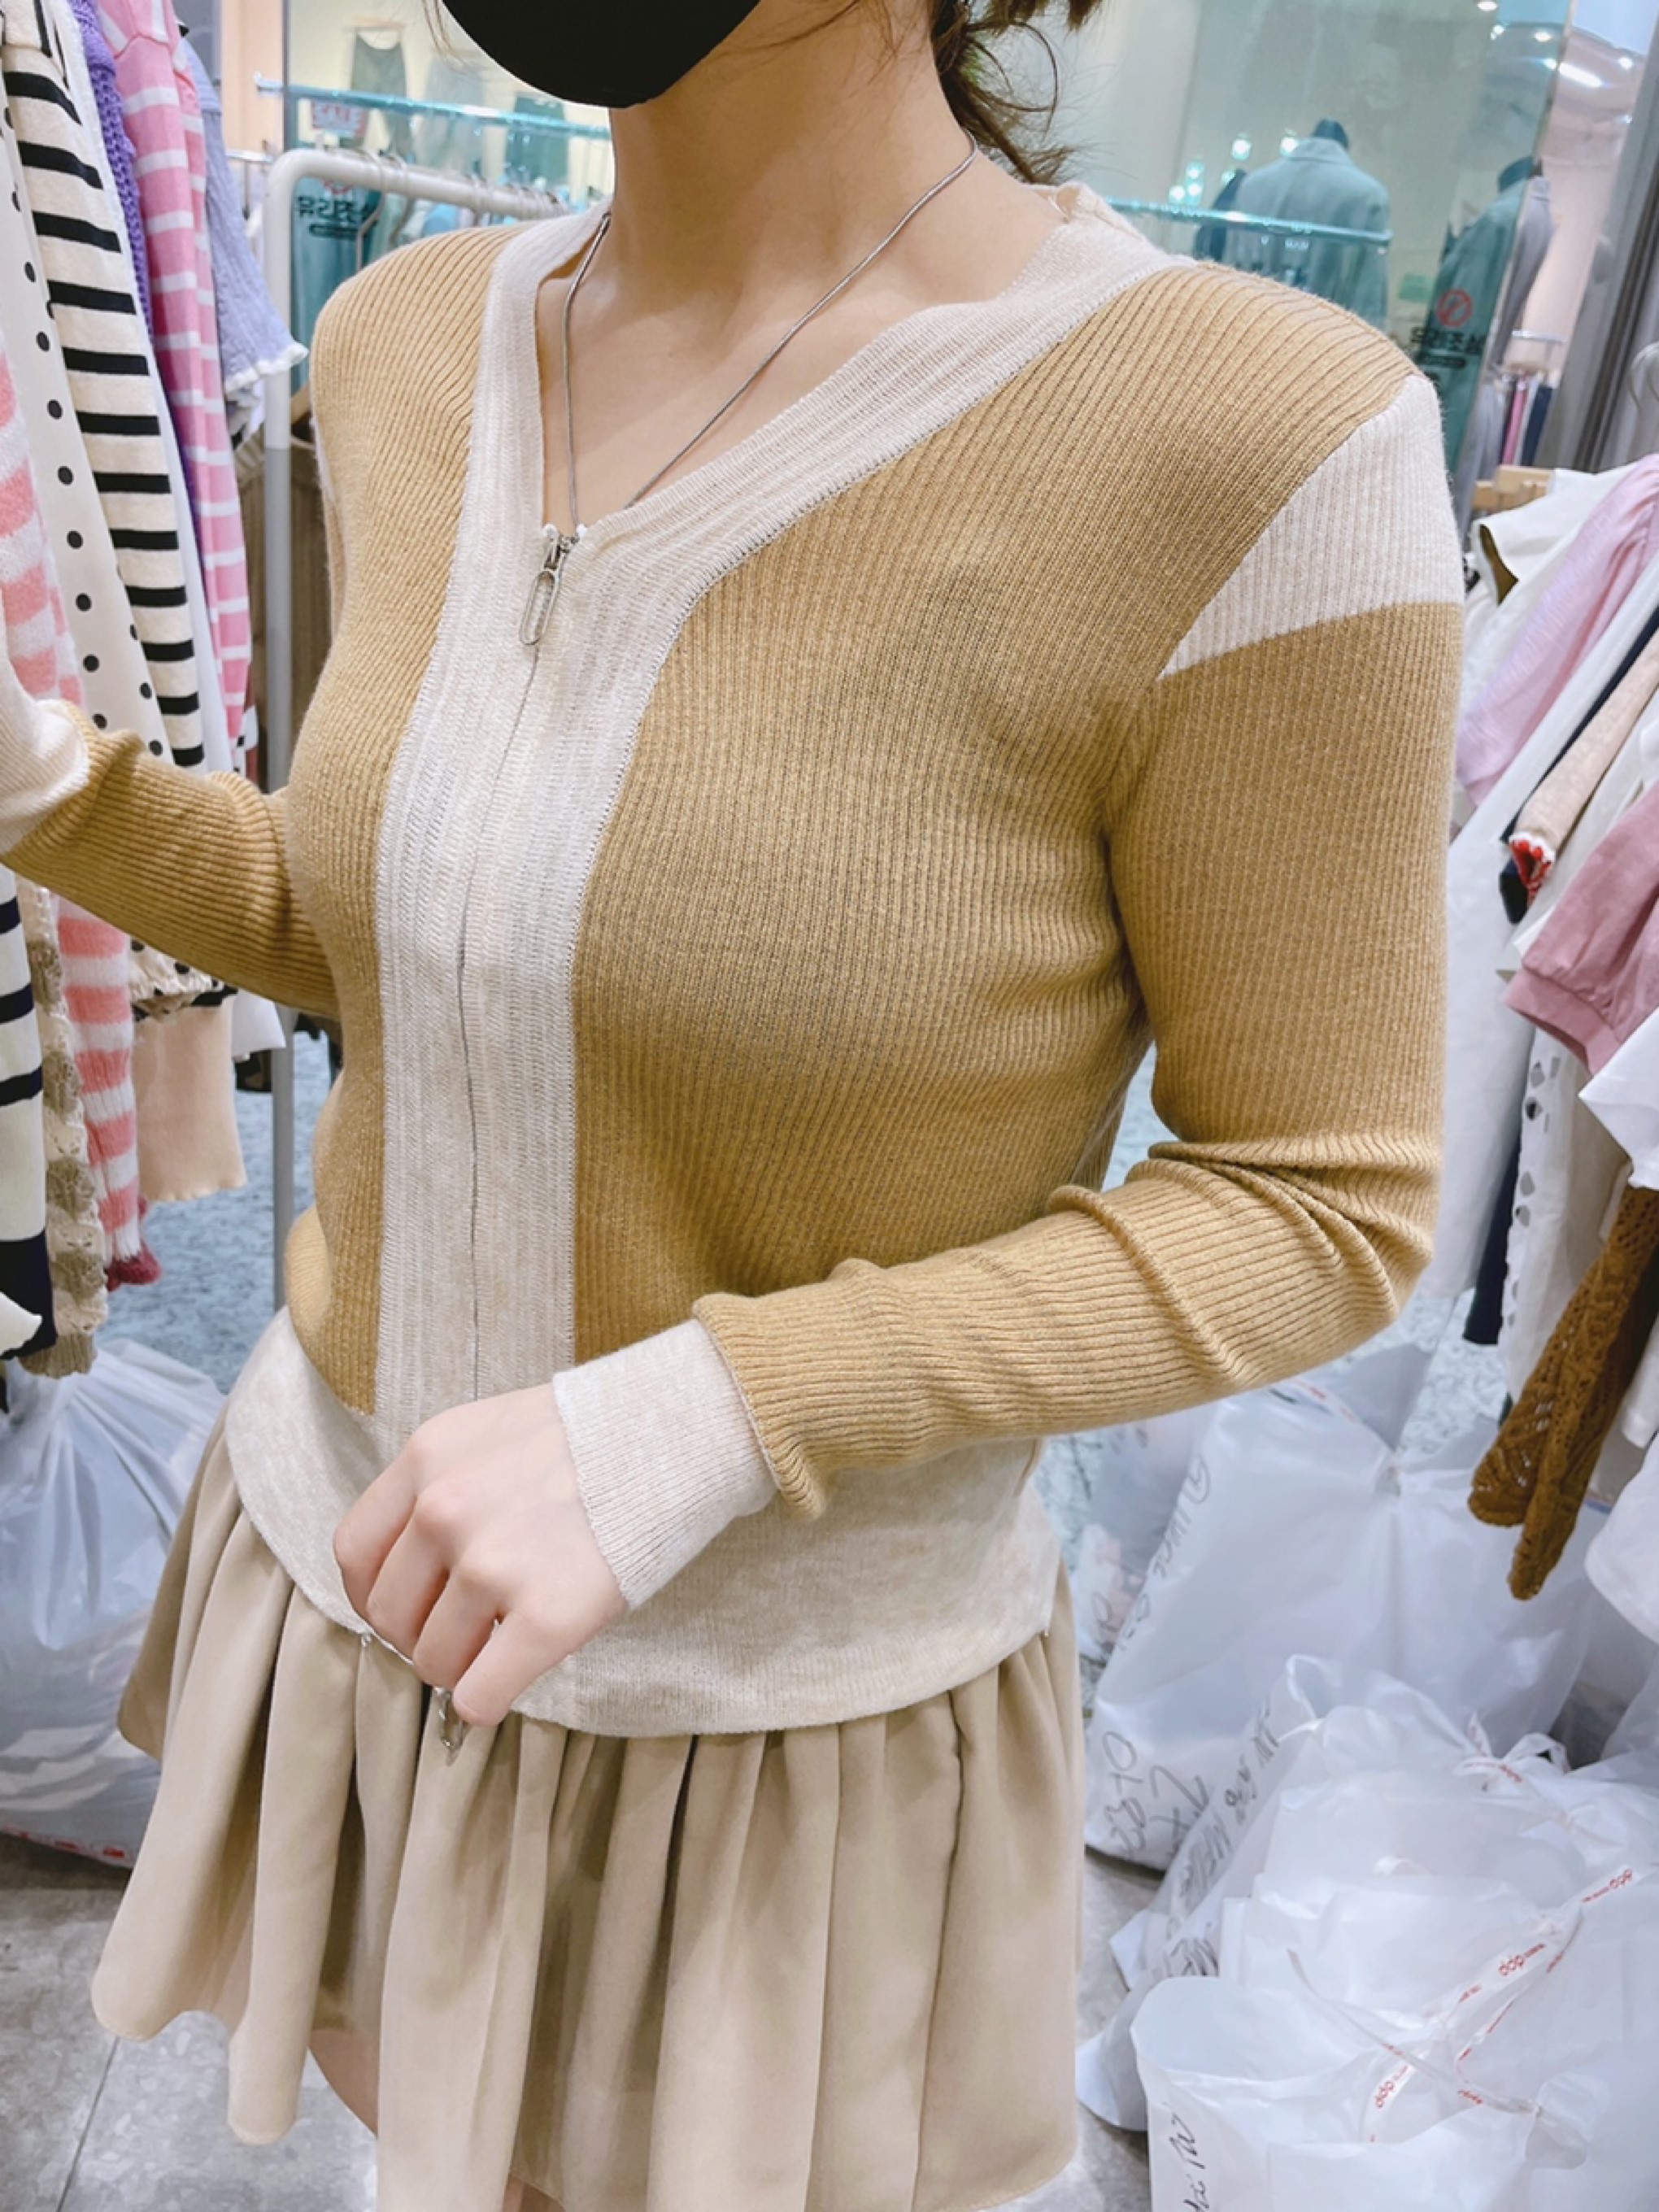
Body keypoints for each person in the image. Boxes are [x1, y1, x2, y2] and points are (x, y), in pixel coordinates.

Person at [0, 1, 1465, 2207]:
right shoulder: (405, 342)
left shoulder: (1253, 440)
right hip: (346, 1587)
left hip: (766, 1737)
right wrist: (49, 777)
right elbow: (389, 919)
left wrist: (714, 1407)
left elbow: (1318, 1200)